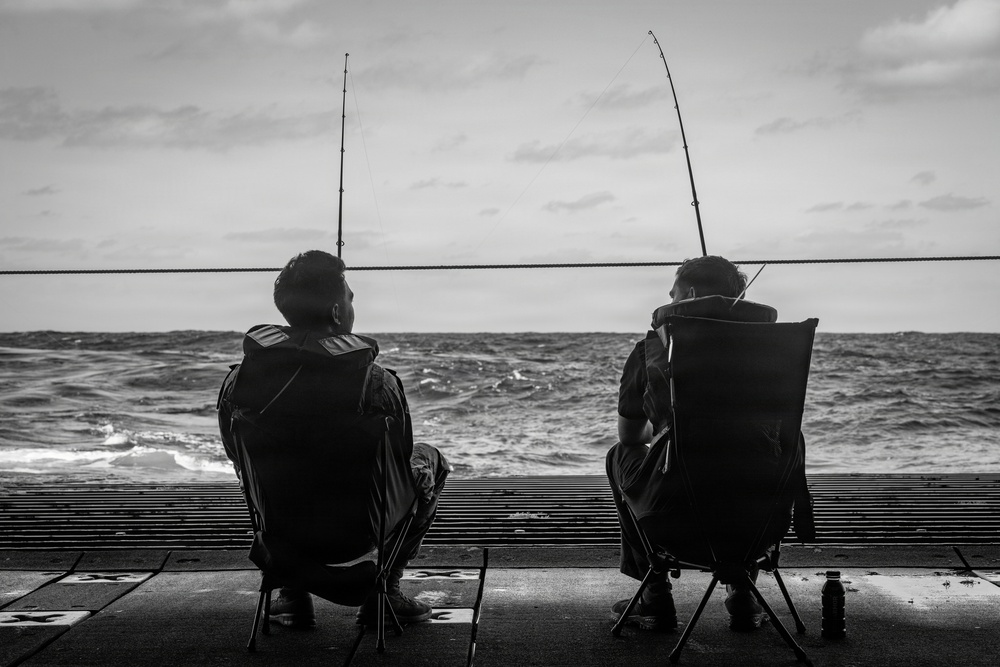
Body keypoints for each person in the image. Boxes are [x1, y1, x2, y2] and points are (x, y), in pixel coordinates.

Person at [218, 250, 450, 629]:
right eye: (350, 298)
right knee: (429, 459)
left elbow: (237, 458)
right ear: (338, 313)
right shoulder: (378, 382)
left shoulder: (237, 384)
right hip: (360, 530)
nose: (352, 305)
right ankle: (385, 590)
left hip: (283, 530)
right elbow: (398, 460)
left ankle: (292, 594)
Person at [606, 255, 814, 632]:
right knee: (755, 451)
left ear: (687, 293)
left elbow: (630, 437)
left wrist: (669, 421)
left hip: (676, 517)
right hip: (761, 519)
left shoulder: (651, 350)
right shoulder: (775, 353)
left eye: (672, 292)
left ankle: (654, 593)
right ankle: (743, 592)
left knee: (620, 455)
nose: (669, 297)